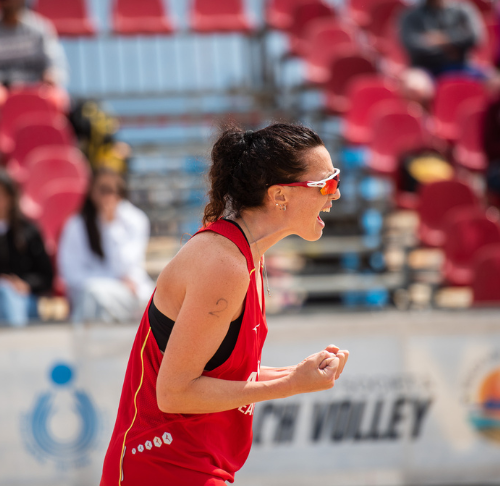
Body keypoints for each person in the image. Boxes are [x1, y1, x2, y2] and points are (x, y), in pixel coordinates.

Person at [100, 123, 349, 486]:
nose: (336, 194)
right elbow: (174, 393)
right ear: (280, 195)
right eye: (326, 184)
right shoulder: (225, 265)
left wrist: (296, 374)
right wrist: (291, 385)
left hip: (191, 467)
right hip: (160, 469)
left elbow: (221, 374)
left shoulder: (246, 255)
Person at [58, 168, 154, 324]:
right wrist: (108, 282)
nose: (108, 196)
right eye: (103, 190)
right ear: (92, 191)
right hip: (90, 294)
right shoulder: (76, 225)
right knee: (93, 295)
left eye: (113, 190)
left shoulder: (136, 220)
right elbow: (71, 274)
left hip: (131, 292)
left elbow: (126, 267)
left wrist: (111, 227)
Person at [0, 169, 53, 326]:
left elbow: (47, 276)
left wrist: (25, 284)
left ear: (10, 197)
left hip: (24, 301)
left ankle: (16, 345)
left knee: (6, 295)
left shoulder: (28, 231)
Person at [0, 0, 68, 87]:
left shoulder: (40, 27)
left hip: (37, 89)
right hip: (4, 90)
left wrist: (52, 75)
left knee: (56, 97)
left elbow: (57, 65)